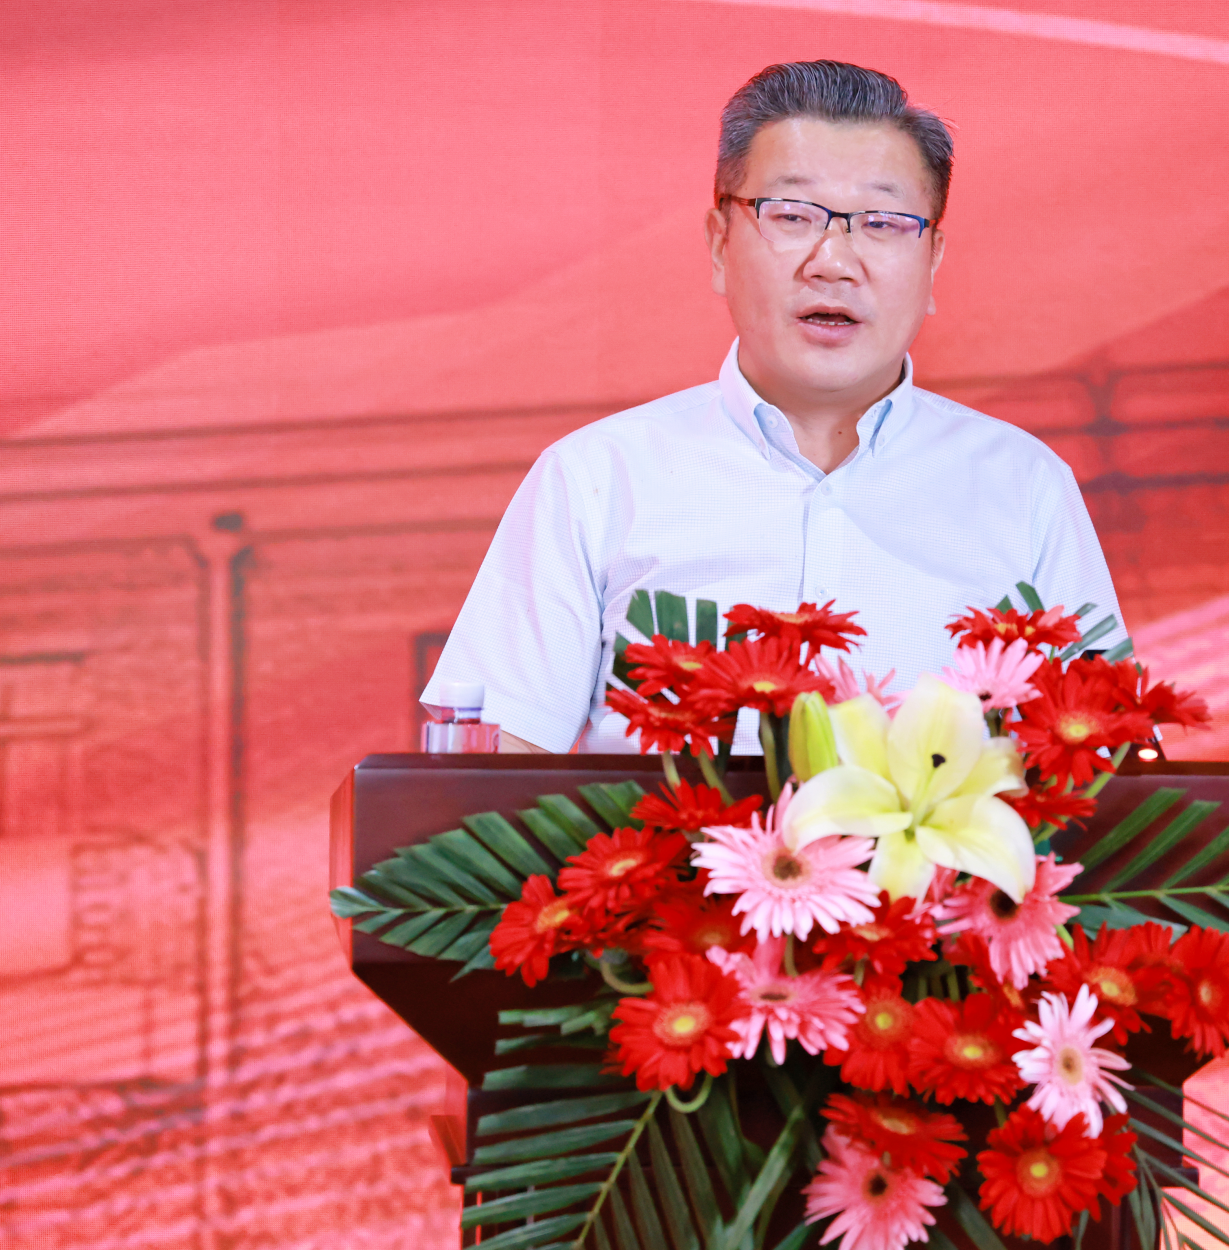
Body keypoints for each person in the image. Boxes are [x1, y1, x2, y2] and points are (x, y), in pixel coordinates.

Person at [422, 60, 1125, 754]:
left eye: (882, 222)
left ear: (933, 260)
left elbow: (1108, 764)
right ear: (719, 244)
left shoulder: (1025, 486)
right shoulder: (595, 479)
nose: (833, 261)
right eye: (791, 215)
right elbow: (487, 786)